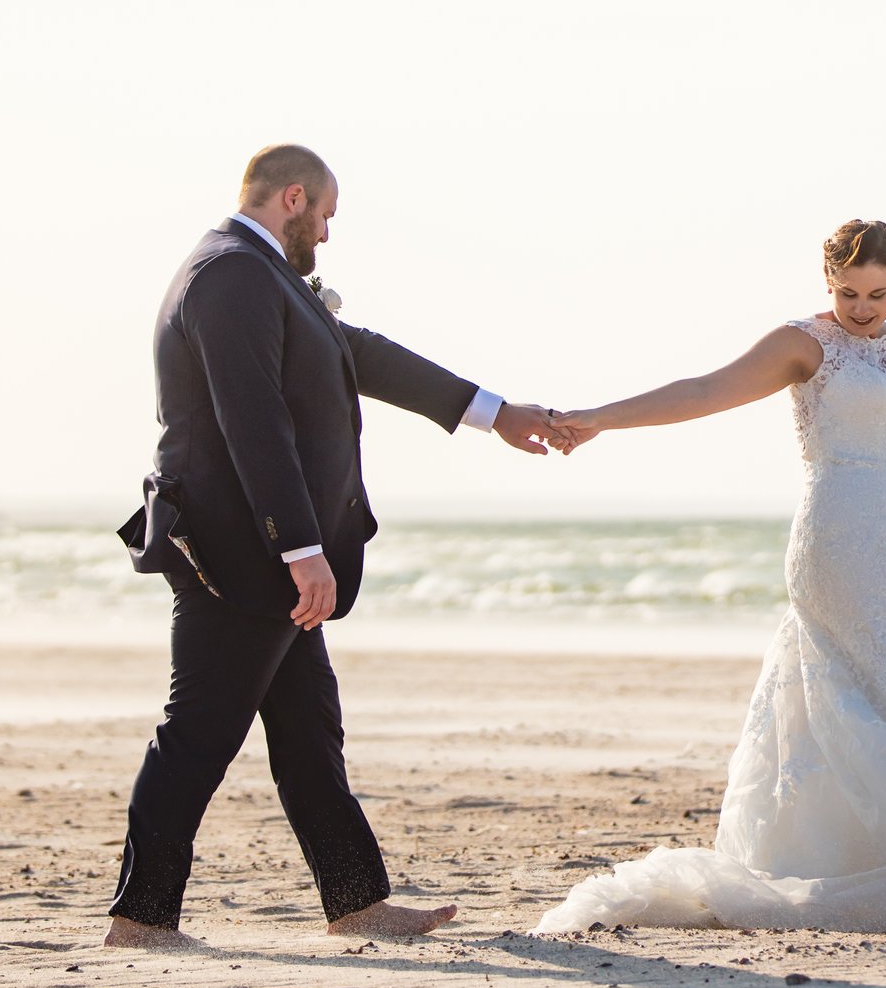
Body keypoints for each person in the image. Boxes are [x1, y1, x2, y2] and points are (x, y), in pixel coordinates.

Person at [536, 220, 886, 932]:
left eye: (879, 294)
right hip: (835, 543)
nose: (863, 308)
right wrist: (600, 419)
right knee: (864, 688)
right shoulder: (805, 343)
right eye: (849, 292)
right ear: (827, 283)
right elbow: (705, 389)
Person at [105, 143, 570, 947]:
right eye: (324, 216)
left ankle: (356, 904)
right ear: (293, 198)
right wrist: (299, 547)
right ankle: (142, 918)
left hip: (265, 561)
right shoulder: (229, 276)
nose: (326, 233)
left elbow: (360, 354)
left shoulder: (263, 278)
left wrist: (496, 412)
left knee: (311, 733)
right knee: (199, 734)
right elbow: (253, 421)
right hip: (238, 559)